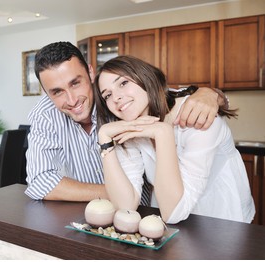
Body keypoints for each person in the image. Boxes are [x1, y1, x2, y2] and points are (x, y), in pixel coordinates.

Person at [24, 41, 227, 202]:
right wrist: (119, 193)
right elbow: (40, 182)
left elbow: (163, 93)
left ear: (90, 72)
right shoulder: (45, 114)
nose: (71, 100)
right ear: (46, 92)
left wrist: (210, 94)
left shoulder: (121, 100)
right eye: (57, 92)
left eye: (76, 83)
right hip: (89, 214)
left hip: (145, 213)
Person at [94, 55, 255, 223]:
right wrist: (104, 137)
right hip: (176, 221)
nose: (116, 98)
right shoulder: (131, 128)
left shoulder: (197, 116)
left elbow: (173, 213)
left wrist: (163, 133)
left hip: (222, 218)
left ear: (145, 77)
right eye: (107, 95)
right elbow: (124, 205)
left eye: (123, 83)